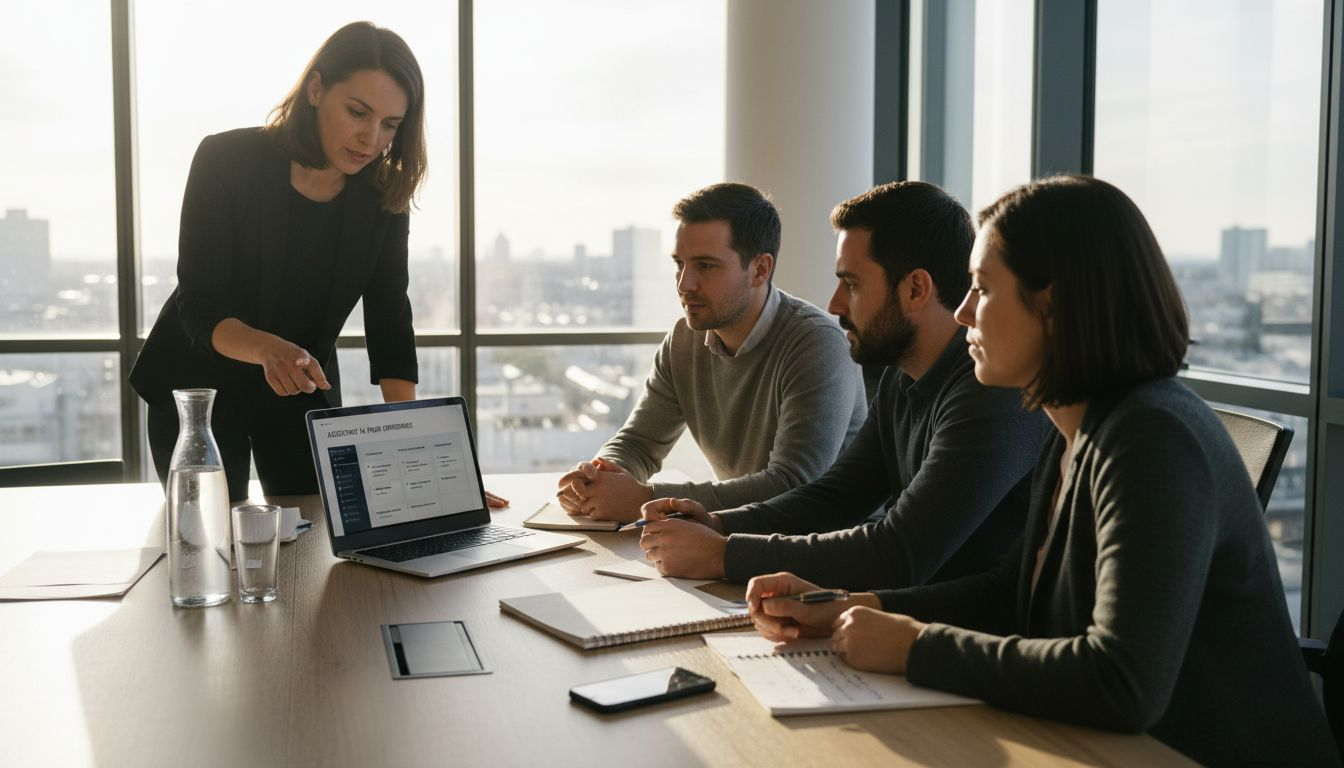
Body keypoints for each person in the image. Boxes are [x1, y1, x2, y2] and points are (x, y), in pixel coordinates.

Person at [745, 175, 1340, 766]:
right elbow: (1014, 593)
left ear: (1052, 304)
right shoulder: (1073, 424)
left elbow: (1120, 682)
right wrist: (858, 603)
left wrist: (918, 646)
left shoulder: (1152, 437)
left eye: (982, 288)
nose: (964, 311)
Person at [132, 22, 505, 507]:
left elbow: (390, 317)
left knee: (317, 543)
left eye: (391, 124)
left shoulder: (382, 196)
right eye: (358, 112)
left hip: (298, 390)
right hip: (197, 387)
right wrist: (267, 349)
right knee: (213, 546)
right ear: (316, 88)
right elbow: (199, 301)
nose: (371, 138)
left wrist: (420, 452)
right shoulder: (226, 158)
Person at [637, 181, 1048, 587]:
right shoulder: (902, 375)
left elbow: (899, 552)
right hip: (898, 615)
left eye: (851, 284)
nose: (834, 304)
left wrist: (721, 554)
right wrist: (718, 523)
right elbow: (835, 498)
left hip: (949, 630)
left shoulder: (994, 392)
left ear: (916, 288)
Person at [556, 183, 866, 523]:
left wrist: (647, 499)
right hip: (736, 536)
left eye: (705, 266)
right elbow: (639, 442)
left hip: (825, 551)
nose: (684, 284)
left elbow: (792, 484)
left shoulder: (817, 344)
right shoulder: (684, 339)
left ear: (760, 269)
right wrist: (600, 476)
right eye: (680, 264)